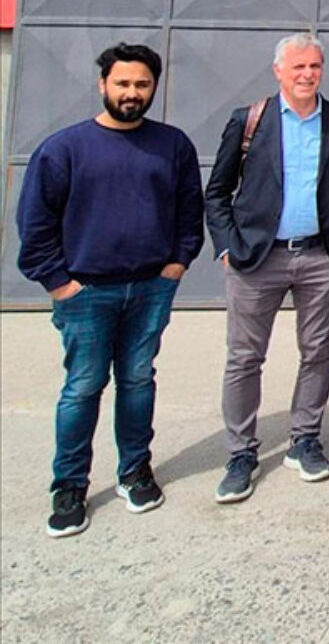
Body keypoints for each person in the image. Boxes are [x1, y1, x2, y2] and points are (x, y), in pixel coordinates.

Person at [17, 43, 204, 538]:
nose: (131, 92)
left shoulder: (172, 145)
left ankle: (134, 471)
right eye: (122, 83)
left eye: (142, 84)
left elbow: (190, 209)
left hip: (150, 288)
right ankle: (69, 486)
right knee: (83, 386)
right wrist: (60, 284)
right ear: (103, 84)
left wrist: (177, 263)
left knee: (138, 381)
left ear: (154, 87)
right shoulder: (64, 149)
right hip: (87, 293)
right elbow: (35, 224)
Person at [204, 33, 329, 503]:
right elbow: (218, 191)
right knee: (244, 357)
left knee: (317, 350)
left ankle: (305, 439)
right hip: (257, 257)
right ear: (278, 71)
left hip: (320, 257)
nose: (307, 75)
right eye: (298, 67)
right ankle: (241, 452)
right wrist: (226, 246)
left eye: (314, 66)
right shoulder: (249, 120)